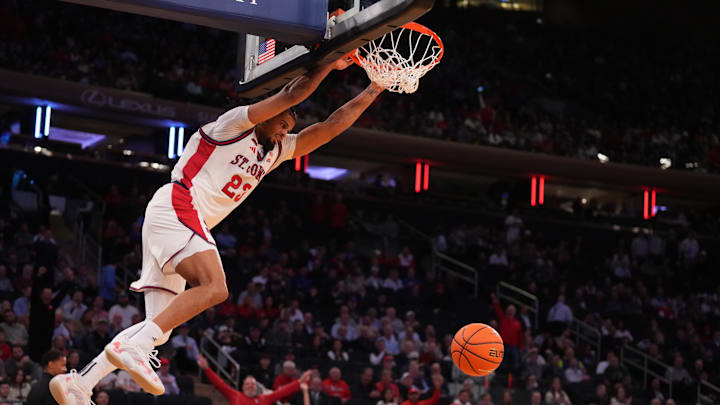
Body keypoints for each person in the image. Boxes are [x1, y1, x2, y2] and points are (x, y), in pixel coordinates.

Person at [50, 55, 385, 405]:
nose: (286, 130)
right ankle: (134, 346)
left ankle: (80, 384)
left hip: (177, 221)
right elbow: (291, 94)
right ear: (266, 114)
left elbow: (329, 127)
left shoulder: (273, 153)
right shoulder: (231, 126)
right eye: (283, 123)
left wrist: (373, 89)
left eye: (289, 127)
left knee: (160, 328)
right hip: (178, 205)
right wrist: (328, 62)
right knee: (214, 287)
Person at [198, 354, 311, 405]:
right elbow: (220, 384)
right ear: (242, 387)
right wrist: (207, 369)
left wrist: (299, 381)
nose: (250, 386)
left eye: (252, 384)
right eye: (247, 384)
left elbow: (281, 392)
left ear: (257, 387)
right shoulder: (235, 395)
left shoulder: (264, 399)